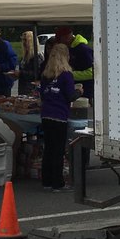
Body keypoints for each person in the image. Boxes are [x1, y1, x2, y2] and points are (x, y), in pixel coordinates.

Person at [38, 43, 76, 192]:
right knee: (58, 150)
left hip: (46, 114)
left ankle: (46, 181)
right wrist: (79, 91)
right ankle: (57, 183)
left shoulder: (46, 75)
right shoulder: (66, 75)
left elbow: (42, 95)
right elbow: (70, 96)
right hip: (59, 115)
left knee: (48, 148)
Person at [54, 26, 94, 103]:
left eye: (60, 40)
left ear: (66, 37)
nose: (60, 44)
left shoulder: (83, 50)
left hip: (86, 93)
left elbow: (92, 72)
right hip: (75, 91)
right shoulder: (71, 49)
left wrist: (69, 75)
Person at [16, 30, 42, 95]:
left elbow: (37, 74)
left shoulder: (37, 56)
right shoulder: (25, 56)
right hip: (23, 88)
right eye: (23, 40)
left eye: (26, 40)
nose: (24, 43)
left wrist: (21, 73)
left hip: (31, 89)